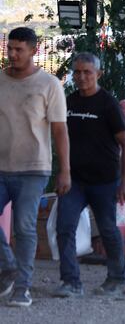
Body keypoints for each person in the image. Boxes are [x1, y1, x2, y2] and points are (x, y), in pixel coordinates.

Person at [0, 27, 69, 307]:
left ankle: (23, 288)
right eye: (10, 48)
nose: (13, 54)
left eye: (19, 49)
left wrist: (64, 169)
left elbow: (60, 130)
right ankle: (8, 266)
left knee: (25, 227)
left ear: (33, 50)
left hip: (33, 168)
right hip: (2, 166)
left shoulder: (49, 84)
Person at [55, 52, 125, 298]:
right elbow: (59, 136)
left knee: (109, 230)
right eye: (77, 72)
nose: (81, 77)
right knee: (65, 227)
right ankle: (71, 282)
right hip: (74, 180)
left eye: (87, 72)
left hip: (105, 181)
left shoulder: (108, 104)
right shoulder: (68, 101)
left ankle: (118, 277)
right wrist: (62, 171)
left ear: (98, 74)